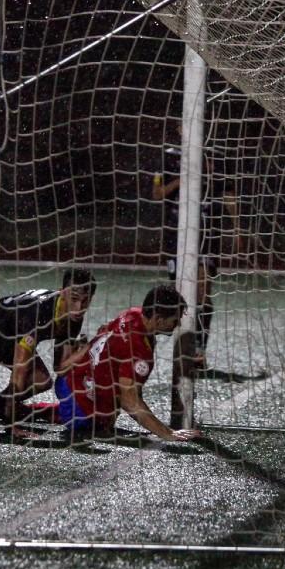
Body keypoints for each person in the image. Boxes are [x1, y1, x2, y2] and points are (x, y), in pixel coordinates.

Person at [39, 284, 202, 442]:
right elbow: (129, 401)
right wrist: (168, 433)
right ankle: (33, 411)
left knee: (109, 412)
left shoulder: (133, 313)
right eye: (175, 320)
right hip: (76, 395)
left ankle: (36, 410)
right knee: (92, 428)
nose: (178, 324)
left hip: (75, 377)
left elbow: (104, 329)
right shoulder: (138, 351)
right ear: (158, 319)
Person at [152, 148, 238, 361]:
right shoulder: (169, 156)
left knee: (202, 290)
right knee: (179, 294)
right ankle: (182, 345)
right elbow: (157, 194)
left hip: (206, 235)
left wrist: (237, 228)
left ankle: (199, 348)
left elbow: (228, 194)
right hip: (176, 235)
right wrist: (184, 179)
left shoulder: (216, 154)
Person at [0, 268, 97, 423]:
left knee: (41, 380)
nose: (79, 307)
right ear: (62, 292)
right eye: (74, 298)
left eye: (85, 301)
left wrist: (86, 349)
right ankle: (2, 409)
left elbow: (60, 367)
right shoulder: (40, 311)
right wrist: (12, 421)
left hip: (10, 337)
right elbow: (20, 369)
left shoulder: (74, 316)